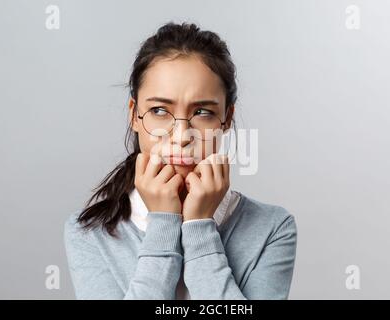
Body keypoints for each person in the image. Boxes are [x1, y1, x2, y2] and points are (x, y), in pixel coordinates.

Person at [64, 21, 297, 300]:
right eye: (160, 110)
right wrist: (164, 222)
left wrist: (199, 228)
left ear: (227, 118)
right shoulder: (89, 232)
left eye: (202, 112)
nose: (181, 135)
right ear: (134, 115)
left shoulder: (272, 227)